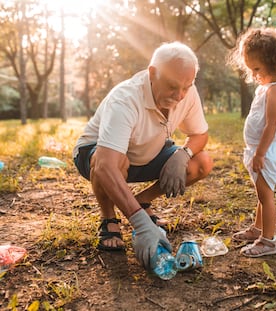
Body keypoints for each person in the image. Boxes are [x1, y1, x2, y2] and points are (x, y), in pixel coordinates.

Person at [73, 42, 213, 269]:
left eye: (187, 86)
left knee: (202, 162)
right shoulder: (125, 98)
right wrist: (141, 224)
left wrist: (183, 154)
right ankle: (109, 219)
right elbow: (106, 167)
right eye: (172, 86)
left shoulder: (187, 93)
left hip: (148, 152)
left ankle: (143, 200)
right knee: (107, 160)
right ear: (152, 73)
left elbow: (200, 134)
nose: (180, 95)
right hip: (98, 155)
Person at [227, 27, 276, 257]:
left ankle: (268, 241)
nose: (255, 74)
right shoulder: (267, 88)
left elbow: (271, 125)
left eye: (257, 68)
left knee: (265, 196)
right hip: (259, 151)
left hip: (266, 151)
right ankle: (258, 228)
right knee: (261, 193)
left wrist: (259, 154)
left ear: (272, 61)